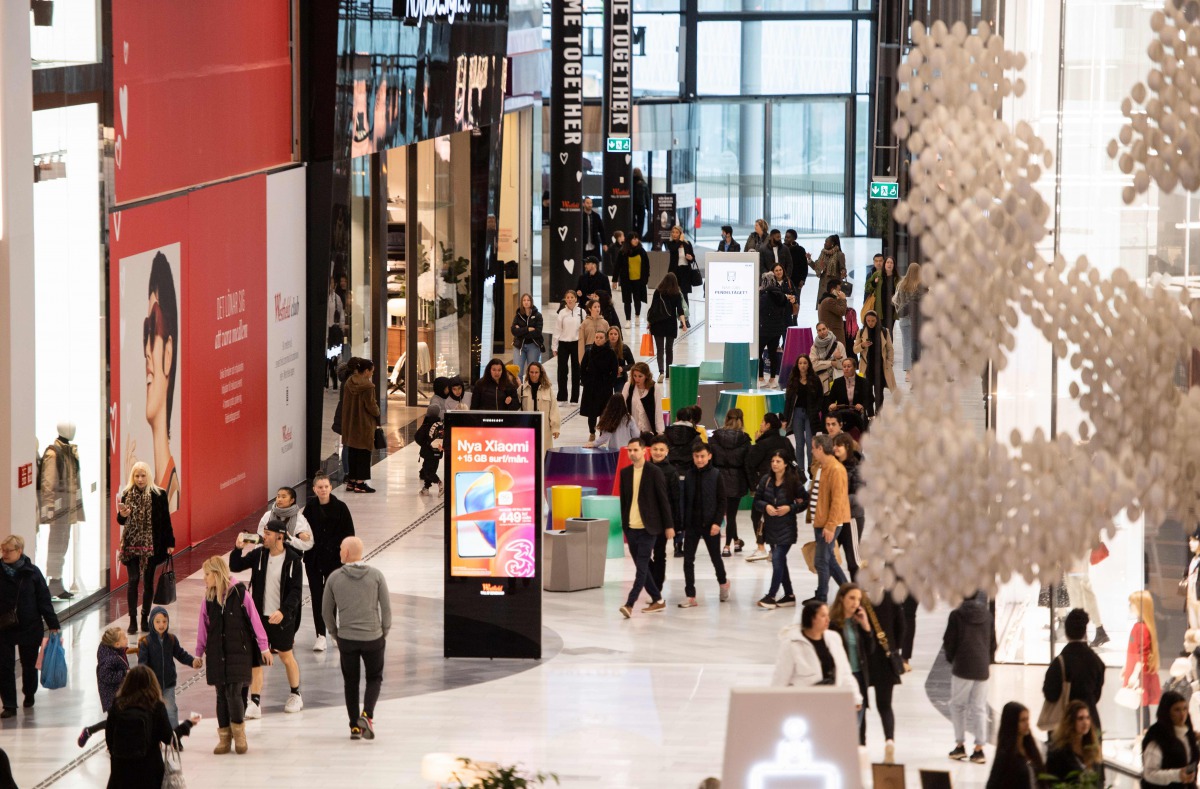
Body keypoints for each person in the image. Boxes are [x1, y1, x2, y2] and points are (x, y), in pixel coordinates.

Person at [196, 555, 271, 755]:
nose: (204, 578)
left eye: (207, 574)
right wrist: (198, 653)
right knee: (221, 695)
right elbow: (203, 628)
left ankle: (239, 734)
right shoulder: (208, 598)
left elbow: (255, 620)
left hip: (239, 652)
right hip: (216, 653)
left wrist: (264, 648)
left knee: (234, 693)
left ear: (217, 573)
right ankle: (224, 737)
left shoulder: (240, 594)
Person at [230, 520, 305, 717]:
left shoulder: (293, 560)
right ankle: (254, 701)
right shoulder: (259, 555)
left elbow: (296, 592)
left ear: (280, 536)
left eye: (268, 533)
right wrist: (237, 549)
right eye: (264, 532)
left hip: (281, 618)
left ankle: (295, 693)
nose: (264, 536)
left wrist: (283, 611)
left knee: (286, 655)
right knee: (256, 659)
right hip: (258, 618)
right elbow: (235, 566)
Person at [323, 536, 391, 741]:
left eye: (341, 548)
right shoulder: (376, 576)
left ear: (346, 553)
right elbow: (386, 609)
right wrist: (383, 631)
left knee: (350, 682)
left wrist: (336, 633)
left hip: (347, 639)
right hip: (373, 637)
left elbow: (326, 612)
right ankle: (367, 715)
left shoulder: (334, 578)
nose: (339, 551)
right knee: (374, 677)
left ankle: (354, 726)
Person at [103, 666, 198, 788]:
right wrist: (188, 724)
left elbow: (109, 738)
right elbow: (168, 737)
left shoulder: (117, 705)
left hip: (120, 771)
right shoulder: (156, 706)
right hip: (149, 772)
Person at [0, 535, 59, 717]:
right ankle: (9, 704)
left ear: (20, 551)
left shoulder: (32, 573)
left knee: (29, 664)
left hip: (29, 626)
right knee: (4, 666)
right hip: (3, 626)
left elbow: (44, 600)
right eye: (3, 550)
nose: (4, 554)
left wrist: (52, 623)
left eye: (8, 550)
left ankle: (29, 693)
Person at [141, 251, 182, 511]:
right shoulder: (156, 480)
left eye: (151, 330)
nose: (145, 350)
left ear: (168, 353)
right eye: (144, 333)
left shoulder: (170, 488)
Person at [617, 436, 676, 618]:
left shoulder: (654, 472)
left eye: (636, 450)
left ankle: (629, 603)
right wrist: (624, 525)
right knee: (643, 567)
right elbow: (625, 502)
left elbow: (663, 501)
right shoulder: (625, 473)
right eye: (630, 450)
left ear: (644, 451)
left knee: (641, 567)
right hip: (631, 528)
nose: (632, 453)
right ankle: (658, 600)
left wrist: (669, 526)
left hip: (649, 528)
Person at [115, 461, 175, 634]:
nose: (140, 479)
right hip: (131, 545)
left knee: (148, 582)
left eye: (143, 475)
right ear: (132, 477)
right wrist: (122, 515)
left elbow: (165, 521)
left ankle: (144, 617)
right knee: (133, 580)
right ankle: (132, 619)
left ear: (148, 476)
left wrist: (170, 542)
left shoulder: (159, 494)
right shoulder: (127, 493)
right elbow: (121, 521)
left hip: (152, 546)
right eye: (136, 476)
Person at [771, 600, 863, 712]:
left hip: (831, 705)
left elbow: (845, 673)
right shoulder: (792, 644)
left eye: (828, 615)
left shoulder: (833, 638)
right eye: (823, 616)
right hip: (803, 707)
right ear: (812, 618)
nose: (828, 620)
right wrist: (776, 707)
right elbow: (780, 679)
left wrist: (855, 697)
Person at [300, 472, 356, 652]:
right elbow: (303, 532)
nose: (323, 490)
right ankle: (320, 635)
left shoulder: (341, 507)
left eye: (326, 486)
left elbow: (349, 534)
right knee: (317, 596)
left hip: (334, 561)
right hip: (314, 560)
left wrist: (341, 553)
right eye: (320, 487)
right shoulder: (309, 508)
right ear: (314, 489)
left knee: (331, 596)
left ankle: (333, 632)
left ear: (331, 487)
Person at [944, 591, 996, 764]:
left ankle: (960, 746)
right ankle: (979, 749)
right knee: (979, 708)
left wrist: (953, 660)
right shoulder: (987, 616)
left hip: (963, 666)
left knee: (958, 706)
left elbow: (949, 642)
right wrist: (986, 661)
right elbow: (992, 643)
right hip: (982, 668)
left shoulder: (956, 615)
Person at [678, 441, 730, 608]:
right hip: (692, 525)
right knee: (688, 560)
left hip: (710, 525)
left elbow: (722, 501)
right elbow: (684, 500)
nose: (699, 460)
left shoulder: (716, 475)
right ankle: (690, 595)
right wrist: (683, 523)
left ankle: (723, 582)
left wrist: (717, 522)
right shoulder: (689, 474)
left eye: (702, 456)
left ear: (709, 456)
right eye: (696, 456)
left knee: (715, 558)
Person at [1043, 608, 1106, 740]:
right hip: (1091, 724)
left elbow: (1050, 694)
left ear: (1066, 632)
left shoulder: (1059, 662)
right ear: (1085, 632)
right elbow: (1096, 695)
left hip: (1064, 727)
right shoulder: (1096, 661)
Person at [744, 414, 797, 562]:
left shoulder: (762, 444)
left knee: (758, 516)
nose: (760, 424)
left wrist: (753, 485)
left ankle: (761, 548)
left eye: (762, 422)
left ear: (767, 425)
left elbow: (750, 463)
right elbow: (793, 461)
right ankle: (775, 550)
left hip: (765, 486)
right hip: (784, 485)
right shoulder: (785, 441)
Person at [136, 607, 199, 729]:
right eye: (158, 621)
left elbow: (180, 654)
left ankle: (174, 737)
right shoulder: (146, 643)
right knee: (152, 712)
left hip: (168, 684)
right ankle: (154, 739)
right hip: (152, 686)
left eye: (164, 621)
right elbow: (142, 665)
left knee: (171, 710)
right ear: (151, 623)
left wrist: (192, 661)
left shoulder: (171, 639)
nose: (161, 625)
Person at [754, 451, 803, 609]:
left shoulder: (793, 481)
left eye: (778, 461)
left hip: (787, 528)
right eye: (773, 461)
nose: (774, 464)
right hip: (770, 527)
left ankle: (771, 595)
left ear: (785, 464)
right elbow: (757, 501)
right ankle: (789, 595)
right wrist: (766, 506)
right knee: (780, 561)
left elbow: (805, 501)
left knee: (777, 559)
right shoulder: (766, 480)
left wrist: (790, 508)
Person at [864, 591, 906, 763]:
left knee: (861, 706)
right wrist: (895, 647)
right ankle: (889, 740)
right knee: (885, 705)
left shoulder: (858, 597)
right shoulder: (891, 597)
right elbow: (902, 626)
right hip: (885, 658)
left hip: (864, 658)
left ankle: (861, 745)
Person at [830, 583, 875, 744]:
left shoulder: (858, 623)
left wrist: (866, 627)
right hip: (840, 679)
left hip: (859, 677)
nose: (855, 603)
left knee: (859, 725)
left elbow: (870, 651)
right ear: (841, 599)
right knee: (841, 724)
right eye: (851, 598)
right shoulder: (832, 624)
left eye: (858, 599)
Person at [76, 625, 135, 747]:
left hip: (119, 693)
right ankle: (92, 733)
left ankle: (109, 742)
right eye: (124, 637)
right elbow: (106, 676)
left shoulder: (117, 652)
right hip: (111, 695)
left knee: (116, 721)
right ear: (117, 644)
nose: (126, 638)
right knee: (115, 721)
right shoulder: (110, 659)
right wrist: (124, 674)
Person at [807, 434, 849, 605]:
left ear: (820, 449)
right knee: (829, 559)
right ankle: (849, 592)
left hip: (830, 523)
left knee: (821, 560)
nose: (811, 451)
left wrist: (830, 526)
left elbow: (838, 500)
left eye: (813, 448)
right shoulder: (821, 467)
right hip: (821, 521)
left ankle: (821, 597)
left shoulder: (836, 469)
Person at [710, 408, 751, 556]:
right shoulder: (745, 439)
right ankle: (727, 546)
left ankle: (736, 541)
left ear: (726, 418)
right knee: (732, 514)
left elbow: (711, 460)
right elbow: (748, 464)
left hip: (718, 478)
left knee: (723, 513)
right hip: (737, 478)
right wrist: (752, 485)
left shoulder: (715, 438)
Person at [1141, 691, 1199, 786]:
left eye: (1185, 709)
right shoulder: (1158, 738)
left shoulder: (1188, 735)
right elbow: (1149, 774)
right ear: (1167, 712)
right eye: (1177, 710)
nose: (1182, 714)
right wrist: (1177, 775)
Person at [1124, 589, 1163, 729]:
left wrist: (1134, 674)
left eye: (1132, 604)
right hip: (1137, 672)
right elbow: (1135, 651)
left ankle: (1143, 734)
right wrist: (1126, 669)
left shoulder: (1142, 628)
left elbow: (1143, 654)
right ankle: (1141, 734)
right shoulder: (1138, 626)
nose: (1130, 606)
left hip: (1141, 675)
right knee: (1139, 705)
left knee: (1141, 705)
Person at [647, 434, 681, 591]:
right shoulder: (643, 468)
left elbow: (675, 499)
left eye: (661, 449)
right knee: (642, 554)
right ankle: (657, 575)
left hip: (662, 520)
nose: (658, 452)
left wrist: (674, 524)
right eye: (655, 449)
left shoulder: (671, 472)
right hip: (645, 520)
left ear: (667, 451)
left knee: (659, 554)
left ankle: (657, 589)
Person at [342, 358, 381, 493]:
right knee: (364, 453)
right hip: (364, 424)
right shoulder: (368, 386)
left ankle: (351, 481)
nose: (371, 374)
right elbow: (371, 406)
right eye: (371, 372)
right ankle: (360, 483)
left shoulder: (349, 382)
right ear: (366, 371)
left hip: (350, 422)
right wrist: (377, 412)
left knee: (352, 452)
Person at [987, 702, 1045, 789]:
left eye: (1027, 719)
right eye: (1022, 720)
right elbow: (993, 783)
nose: (1027, 724)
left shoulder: (1030, 749)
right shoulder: (1005, 755)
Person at [1045, 700, 1104, 783]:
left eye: (1087, 718)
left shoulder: (1092, 748)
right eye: (1080, 718)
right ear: (1070, 721)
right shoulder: (1058, 752)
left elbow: (1098, 778)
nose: (1085, 722)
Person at [832, 433, 864, 580]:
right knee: (827, 557)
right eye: (834, 445)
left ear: (847, 447)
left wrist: (840, 500)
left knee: (853, 560)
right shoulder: (833, 465)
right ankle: (822, 594)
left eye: (838, 445)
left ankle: (857, 596)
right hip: (835, 518)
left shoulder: (857, 466)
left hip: (852, 517)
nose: (835, 448)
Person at [784, 355, 824, 472]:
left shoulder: (815, 379)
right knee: (799, 442)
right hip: (797, 413)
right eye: (800, 363)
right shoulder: (793, 380)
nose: (802, 365)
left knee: (810, 441)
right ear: (797, 365)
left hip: (810, 414)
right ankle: (800, 469)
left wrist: (816, 409)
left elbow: (820, 397)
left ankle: (811, 468)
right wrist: (785, 418)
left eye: (805, 363)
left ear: (809, 365)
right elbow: (788, 401)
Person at [759, 264, 796, 388]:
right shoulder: (781, 295)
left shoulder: (762, 296)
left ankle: (761, 378)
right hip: (777, 329)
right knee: (773, 353)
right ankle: (773, 379)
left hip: (764, 329)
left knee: (759, 353)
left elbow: (760, 311)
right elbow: (786, 309)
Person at [853, 310, 896, 416]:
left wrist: (889, 362)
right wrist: (862, 345)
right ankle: (870, 413)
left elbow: (890, 349)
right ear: (865, 321)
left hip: (881, 367)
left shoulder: (884, 332)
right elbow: (855, 350)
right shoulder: (861, 332)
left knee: (879, 392)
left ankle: (879, 412)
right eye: (868, 321)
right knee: (867, 392)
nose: (870, 323)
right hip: (867, 367)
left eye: (873, 321)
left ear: (877, 320)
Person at [647, 272, 687, 382]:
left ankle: (661, 372)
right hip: (670, 324)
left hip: (658, 324)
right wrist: (683, 323)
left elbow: (653, 308)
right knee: (669, 349)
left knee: (660, 350)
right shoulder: (677, 294)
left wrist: (650, 322)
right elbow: (680, 311)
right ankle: (669, 373)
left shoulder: (658, 292)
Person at [580, 329, 619, 441]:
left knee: (604, 412)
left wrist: (609, 384)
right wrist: (586, 381)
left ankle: (603, 432)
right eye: (596, 337)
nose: (598, 339)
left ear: (605, 339)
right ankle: (592, 432)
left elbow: (614, 369)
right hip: (591, 386)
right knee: (591, 412)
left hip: (604, 387)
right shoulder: (589, 352)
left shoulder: (610, 353)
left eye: (601, 337)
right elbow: (582, 369)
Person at [893, 261, 928, 380]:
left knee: (906, 345)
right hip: (917, 319)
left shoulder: (902, 285)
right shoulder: (922, 286)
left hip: (904, 317)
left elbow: (900, 301)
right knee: (918, 344)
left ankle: (908, 373)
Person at [256, 486, 314, 554]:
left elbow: (308, 544)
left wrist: (289, 539)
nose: (279, 499)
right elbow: (260, 538)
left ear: (292, 500)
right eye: (278, 496)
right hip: (269, 557)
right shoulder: (268, 515)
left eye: (283, 497)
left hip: (291, 558)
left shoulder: (299, 519)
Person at [519, 361, 561, 448]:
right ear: (528, 373)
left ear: (540, 373)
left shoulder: (547, 389)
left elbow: (553, 408)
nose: (534, 375)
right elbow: (518, 409)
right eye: (531, 372)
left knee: (543, 454)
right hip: (527, 428)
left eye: (536, 372)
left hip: (544, 428)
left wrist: (555, 428)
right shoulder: (522, 389)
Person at [552, 291, 584, 403]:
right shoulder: (562, 313)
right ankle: (562, 395)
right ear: (565, 300)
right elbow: (557, 330)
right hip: (563, 344)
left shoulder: (582, 312)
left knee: (576, 371)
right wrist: (554, 347)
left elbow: (584, 329)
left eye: (572, 297)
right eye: (567, 297)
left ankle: (575, 397)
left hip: (576, 344)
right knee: (562, 370)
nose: (569, 299)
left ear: (576, 299)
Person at [614, 232, 650, 325]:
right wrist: (614, 280)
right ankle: (628, 320)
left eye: (637, 238)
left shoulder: (641, 251)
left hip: (638, 281)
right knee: (627, 301)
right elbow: (617, 266)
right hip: (626, 281)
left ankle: (637, 316)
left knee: (637, 300)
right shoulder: (623, 252)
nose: (636, 240)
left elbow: (646, 266)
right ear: (629, 240)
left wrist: (646, 278)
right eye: (634, 238)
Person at [828, 358, 871, 434]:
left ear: (855, 368)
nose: (846, 369)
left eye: (849, 366)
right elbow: (830, 399)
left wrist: (862, 406)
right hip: (842, 413)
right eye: (844, 367)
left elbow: (870, 398)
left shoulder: (863, 382)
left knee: (864, 423)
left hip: (858, 413)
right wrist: (831, 405)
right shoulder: (837, 382)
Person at [622, 362, 664, 434]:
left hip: (649, 432)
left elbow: (658, 410)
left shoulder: (654, 387)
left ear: (646, 376)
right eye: (635, 376)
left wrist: (660, 432)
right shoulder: (628, 386)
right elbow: (621, 406)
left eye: (640, 376)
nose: (637, 379)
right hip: (632, 432)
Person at [510, 293, 544, 379]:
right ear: (521, 302)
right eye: (524, 300)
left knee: (533, 373)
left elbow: (538, 332)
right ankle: (519, 391)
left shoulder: (538, 315)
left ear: (531, 302)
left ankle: (532, 391)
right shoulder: (518, 316)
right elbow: (513, 331)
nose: (526, 302)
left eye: (528, 300)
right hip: (519, 346)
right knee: (517, 373)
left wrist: (520, 330)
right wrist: (527, 329)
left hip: (533, 345)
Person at [809, 234, 847, 308]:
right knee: (822, 307)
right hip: (823, 285)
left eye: (826, 242)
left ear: (832, 244)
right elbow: (816, 267)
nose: (824, 243)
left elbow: (843, 268)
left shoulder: (840, 255)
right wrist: (810, 260)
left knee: (833, 307)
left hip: (833, 286)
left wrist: (843, 272)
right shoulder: (823, 254)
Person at [866, 256, 899, 334]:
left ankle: (889, 346)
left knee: (889, 332)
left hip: (892, 309)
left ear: (894, 265)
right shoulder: (877, 275)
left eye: (891, 263)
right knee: (880, 331)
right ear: (885, 264)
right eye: (888, 262)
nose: (889, 264)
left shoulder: (897, 278)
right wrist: (874, 283)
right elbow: (867, 288)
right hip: (879, 309)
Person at [811, 322, 847, 392]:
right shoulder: (814, 347)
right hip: (821, 383)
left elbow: (844, 366)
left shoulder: (838, 345)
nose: (822, 332)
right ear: (817, 332)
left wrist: (838, 359)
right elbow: (813, 365)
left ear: (828, 329)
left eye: (824, 329)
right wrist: (831, 363)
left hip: (837, 381)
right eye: (819, 330)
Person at [665, 225, 697, 305]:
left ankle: (686, 315)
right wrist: (681, 240)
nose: (674, 234)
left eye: (676, 232)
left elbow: (693, 258)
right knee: (673, 294)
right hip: (674, 272)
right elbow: (674, 249)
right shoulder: (670, 243)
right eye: (673, 232)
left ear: (680, 234)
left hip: (685, 272)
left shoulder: (688, 244)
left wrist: (690, 258)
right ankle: (673, 314)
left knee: (684, 294)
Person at [817, 281, 849, 348]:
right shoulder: (829, 301)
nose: (841, 292)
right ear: (832, 290)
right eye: (839, 290)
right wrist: (843, 299)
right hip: (834, 335)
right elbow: (842, 311)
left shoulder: (825, 299)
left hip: (831, 334)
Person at [578, 298, 610, 362]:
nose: (597, 308)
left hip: (602, 350)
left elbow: (608, 339)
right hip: (589, 350)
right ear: (590, 309)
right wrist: (581, 359)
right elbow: (581, 341)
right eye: (595, 307)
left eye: (598, 307)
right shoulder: (585, 323)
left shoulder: (605, 323)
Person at [608, 326, 636, 392]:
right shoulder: (604, 348)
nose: (613, 336)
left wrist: (622, 368)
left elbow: (632, 364)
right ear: (608, 335)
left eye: (615, 334)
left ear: (619, 335)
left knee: (619, 398)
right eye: (611, 334)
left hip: (620, 378)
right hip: (607, 378)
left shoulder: (625, 348)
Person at [783, 230, 809, 298]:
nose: (786, 239)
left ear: (794, 238)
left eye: (788, 237)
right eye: (785, 237)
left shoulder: (800, 250)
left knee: (795, 301)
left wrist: (803, 280)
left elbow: (804, 267)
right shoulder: (781, 249)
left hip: (796, 281)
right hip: (783, 280)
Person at [632, 168, 650, 237]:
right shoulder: (644, 183)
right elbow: (647, 197)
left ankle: (633, 236)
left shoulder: (630, 183)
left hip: (633, 205)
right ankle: (639, 237)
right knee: (641, 223)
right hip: (641, 205)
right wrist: (648, 208)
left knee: (632, 221)